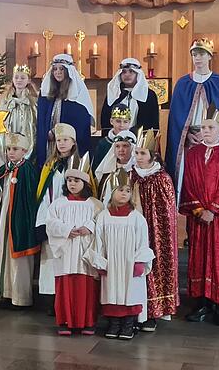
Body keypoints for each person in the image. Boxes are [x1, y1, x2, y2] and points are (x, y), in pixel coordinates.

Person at [180, 105, 219, 326]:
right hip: (198, 217)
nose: (206, 131)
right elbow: (189, 183)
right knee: (199, 257)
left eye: (210, 127)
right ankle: (202, 304)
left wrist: (212, 210)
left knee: (218, 258)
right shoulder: (193, 153)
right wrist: (198, 209)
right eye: (203, 127)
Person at [165, 38, 219, 205]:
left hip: (212, 141)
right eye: (194, 54)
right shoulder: (182, 83)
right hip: (188, 141)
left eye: (202, 54)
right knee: (187, 179)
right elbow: (176, 119)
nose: (198, 58)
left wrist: (209, 137)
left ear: (210, 57)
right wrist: (187, 135)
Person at [85, 168, 155, 341]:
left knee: (131, 293)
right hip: (112, 265)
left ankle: (128, 325)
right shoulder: (103, 217)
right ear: (112, 192)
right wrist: (100, 263)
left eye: (128, 191)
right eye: (120, 190)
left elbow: (143, 241)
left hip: (130, 265)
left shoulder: (136, 218)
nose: (124, 194)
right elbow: (98, 241)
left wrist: (140, 262)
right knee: (112, 292)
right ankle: (114, 324)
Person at [45, 154, 102, 336]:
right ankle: (65, 321)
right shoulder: (58, 204)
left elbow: (101, 222)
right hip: (66, 249)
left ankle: (88, 322)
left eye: (76, 180)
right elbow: (50, 223)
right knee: (66, 285)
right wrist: (67, 229)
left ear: (85, 183)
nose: (72, 184)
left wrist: (89, 227)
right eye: (69, 180)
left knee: (86, 286)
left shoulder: (94, 204)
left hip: (85, 251)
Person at [36, 123, 92, 304]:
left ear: (73, 142)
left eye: (65, 140)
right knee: (52, 260)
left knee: (71, 262)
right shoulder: (49, 165)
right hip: (54, 220)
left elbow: (89, 194)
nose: (61, 144)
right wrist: (43, 220)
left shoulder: (82, 164)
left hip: (75, 222)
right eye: (58, 140)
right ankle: (54, 299)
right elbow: (43, 193)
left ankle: (69, 299)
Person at [131, 128, 179, 331]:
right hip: (133, 232)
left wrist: (154, 230)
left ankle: (153, 310)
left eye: (143, 153)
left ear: (153, 155)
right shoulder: (130, 175)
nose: (139, 157)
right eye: (137, 152)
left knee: (155, 264)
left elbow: (167, 212)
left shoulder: (162, 178)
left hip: (156, 232)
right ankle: (133, 310)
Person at [0, 132, 39, 308]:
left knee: (18, 261)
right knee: (1, 255)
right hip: (3, 220)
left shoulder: (29, 170)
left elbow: (31, 200)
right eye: (8, 149)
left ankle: (19, 297)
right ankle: (2, 293)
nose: (11, 152)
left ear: (24, 150)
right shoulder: (2, 170)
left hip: (18, 222)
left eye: (15, 149)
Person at [36, 54, 95, 169]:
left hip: (67, 146)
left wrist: (56, 132)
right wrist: (46, 133)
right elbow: (41, 120)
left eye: (61, 69)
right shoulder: (46, 93)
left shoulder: (77, 95)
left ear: (68, 71)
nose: (58, 72)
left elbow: (80, 122)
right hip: (49, 144)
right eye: (55, 69)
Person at [100, 58, 159, 134]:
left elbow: (152, 122)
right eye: (124, 72)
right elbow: (105, 119)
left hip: (139, 140)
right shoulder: (114, 94)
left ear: (138, 74)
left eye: (131, 72)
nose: (127, 75)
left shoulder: (149, 95)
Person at [0, 64, 37, 167]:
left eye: (23, 78)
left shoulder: (33, 102)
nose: (19, 80)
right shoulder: (5, 101)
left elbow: (34, 125)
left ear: (28, 80)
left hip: (26, 141)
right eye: (16, 77)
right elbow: (1, 123)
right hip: (9, 141)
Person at [94, 130, 137, 203]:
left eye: (125, 146)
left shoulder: (136, 172)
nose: (121, 150)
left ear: (132, 148)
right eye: (117, 146)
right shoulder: (107, 172)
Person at [93, 104, 132, 171]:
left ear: (129, 123)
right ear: (111, 121)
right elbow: (96, 167)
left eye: (125, 122)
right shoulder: (103, 144)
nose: (122, 125)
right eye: (118, 121)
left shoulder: (135, 142)